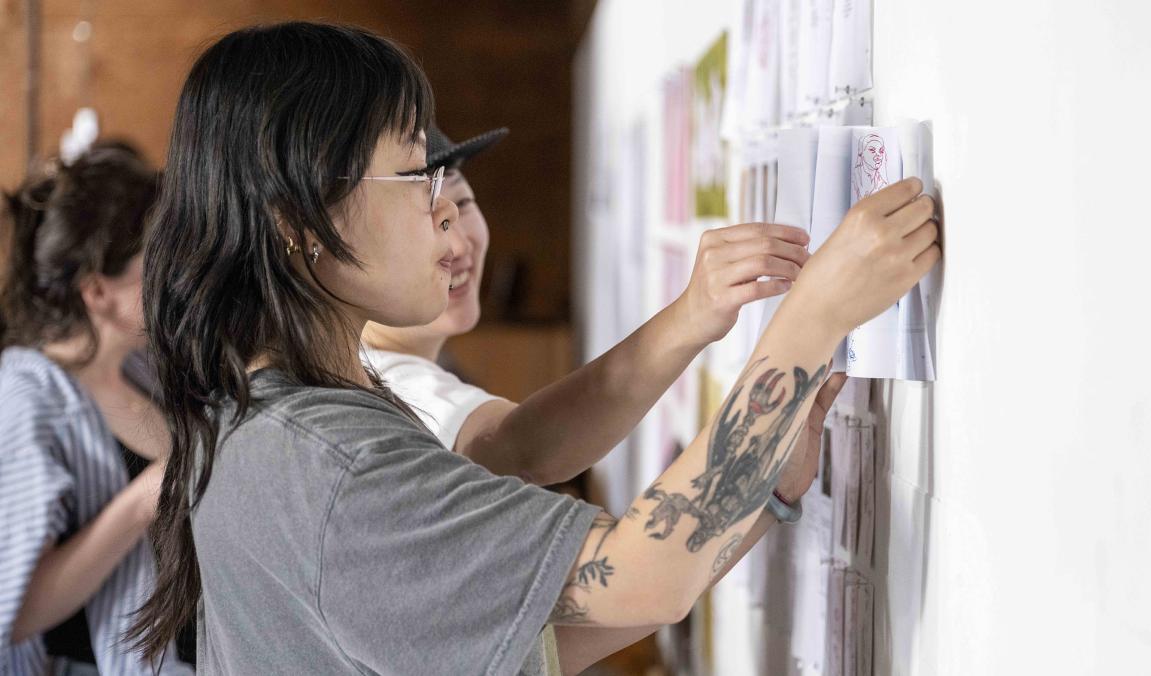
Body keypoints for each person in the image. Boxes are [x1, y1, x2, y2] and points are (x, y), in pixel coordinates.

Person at [130, 22, 939, 676]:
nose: (445, 215)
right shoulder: (330, 461)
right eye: (416, 176)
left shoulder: (278, 417)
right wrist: (813, 317)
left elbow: (530, 638)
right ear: (298, 222)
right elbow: (636, 576)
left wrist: (764, 489)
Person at [362, 123, 814, 485]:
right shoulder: (393, 389)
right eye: (431, 221)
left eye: (462, 204)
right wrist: (694, 315)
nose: (458, 242)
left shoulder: (405, 364)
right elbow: (523, 449)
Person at [0, 144, 191, 675]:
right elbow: (16, 612)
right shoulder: (26, 399)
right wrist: (141, 502)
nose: (172, 280)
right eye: (155, 263)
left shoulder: (145, 370)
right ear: (98, 290)